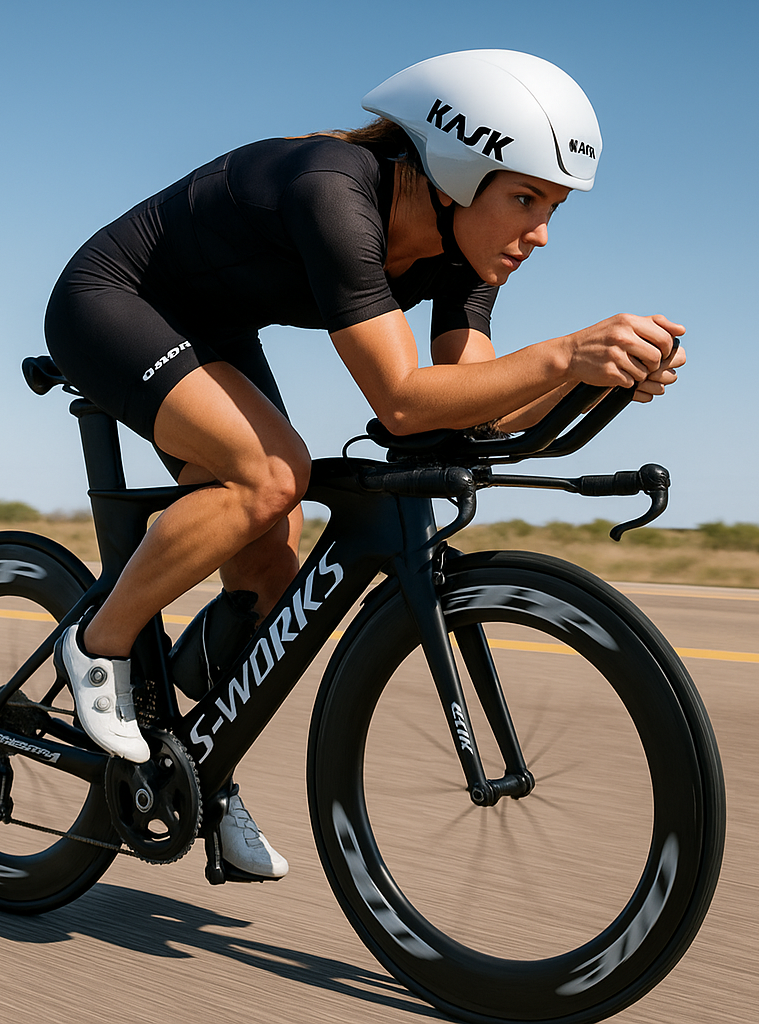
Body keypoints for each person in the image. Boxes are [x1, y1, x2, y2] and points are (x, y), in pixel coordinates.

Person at [45, 49, 686, 881]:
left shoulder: (463, 255)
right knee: (271, 477)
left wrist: (591, 383)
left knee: (272, 576)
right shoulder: (337, 190)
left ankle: (199, 767)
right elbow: (405, 402)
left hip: (213, 328)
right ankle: (100, 643)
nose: (540, 233)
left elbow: (470, 405)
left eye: (554, 207)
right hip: (113, 301)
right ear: (457, 168)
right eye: (524, 198)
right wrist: (565, 353)